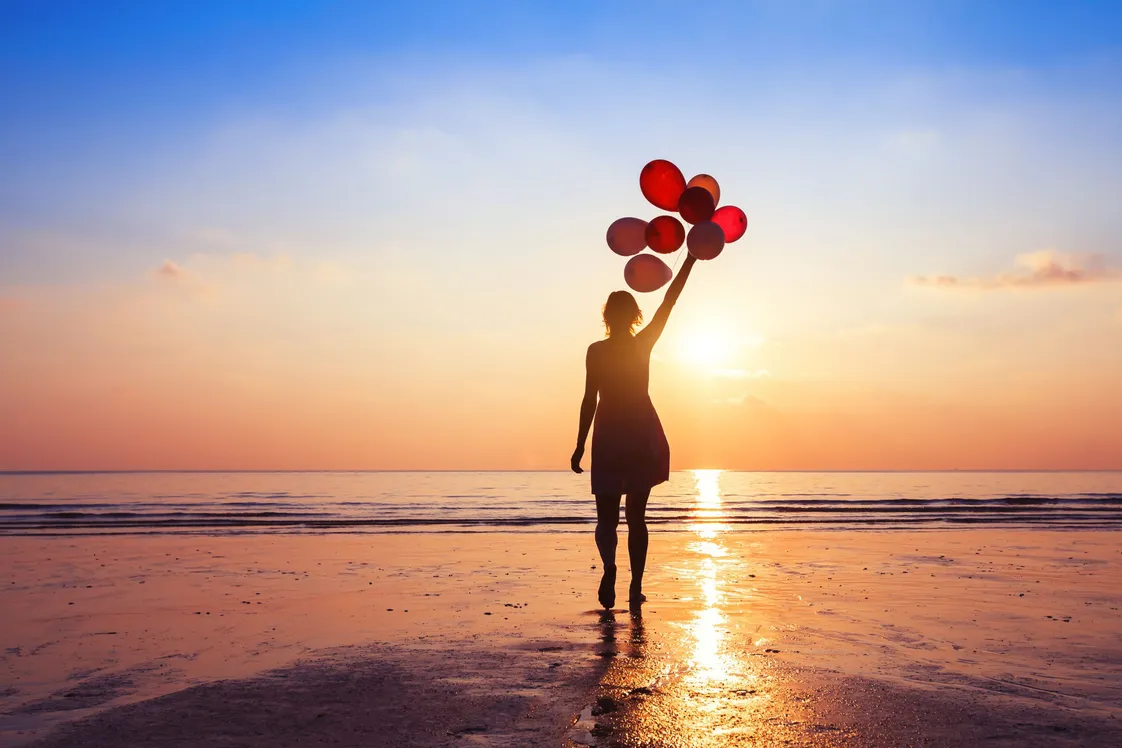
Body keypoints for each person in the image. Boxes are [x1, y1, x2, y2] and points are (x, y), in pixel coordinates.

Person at [571, 253, 699, 608]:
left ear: (606, 317)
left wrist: (579, 444)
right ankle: (635, 586)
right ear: (634, 317)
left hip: (609, 433)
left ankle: (610, 567)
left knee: (606, 517)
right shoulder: (642, 344)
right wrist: (690, 259)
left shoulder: (595, 351)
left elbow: (588, 400)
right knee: (637, 518)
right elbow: (669, 301)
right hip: (640, 432)